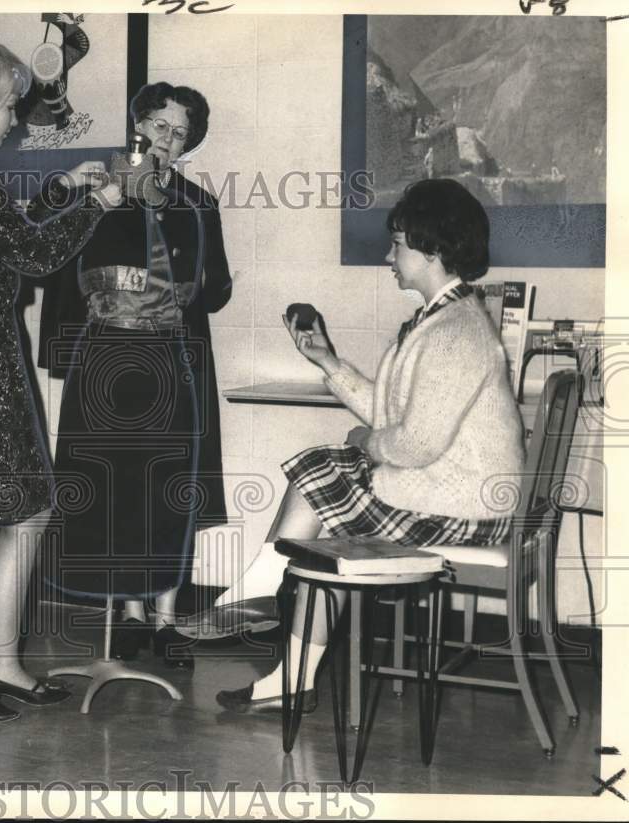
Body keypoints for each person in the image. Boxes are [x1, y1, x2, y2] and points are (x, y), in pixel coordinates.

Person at [216, 178, 525, 714]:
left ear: (433, 251)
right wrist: (327, 361)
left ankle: (266, 593)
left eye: (399, 243)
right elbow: (391, 418)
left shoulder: (455, 333)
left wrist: (363, 442)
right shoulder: (442, 319)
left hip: (465, 509)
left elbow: (411, 446)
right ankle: (284, 648)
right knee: (323, 516)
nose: (389, 254)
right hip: (445, 493)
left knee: (321, 475)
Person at [0, 36, 121, 722]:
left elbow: (8, 236)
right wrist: (100, 204)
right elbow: (32, 255)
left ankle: (0, 658)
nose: (15, 115)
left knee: (29, 504)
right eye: (9, 103)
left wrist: (66, 188)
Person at [32, 82, 232, 669]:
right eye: (162, 127)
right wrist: (74, 185)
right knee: (113, 490)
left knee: (168, 489)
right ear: (137, 124)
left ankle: (167, 620)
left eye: (182, 133)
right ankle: (128, 615)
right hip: (105, 368)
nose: (170, 141)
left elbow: (214, 292)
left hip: (175, 367)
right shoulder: (99, 195)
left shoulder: (198, 205)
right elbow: (39, 236)